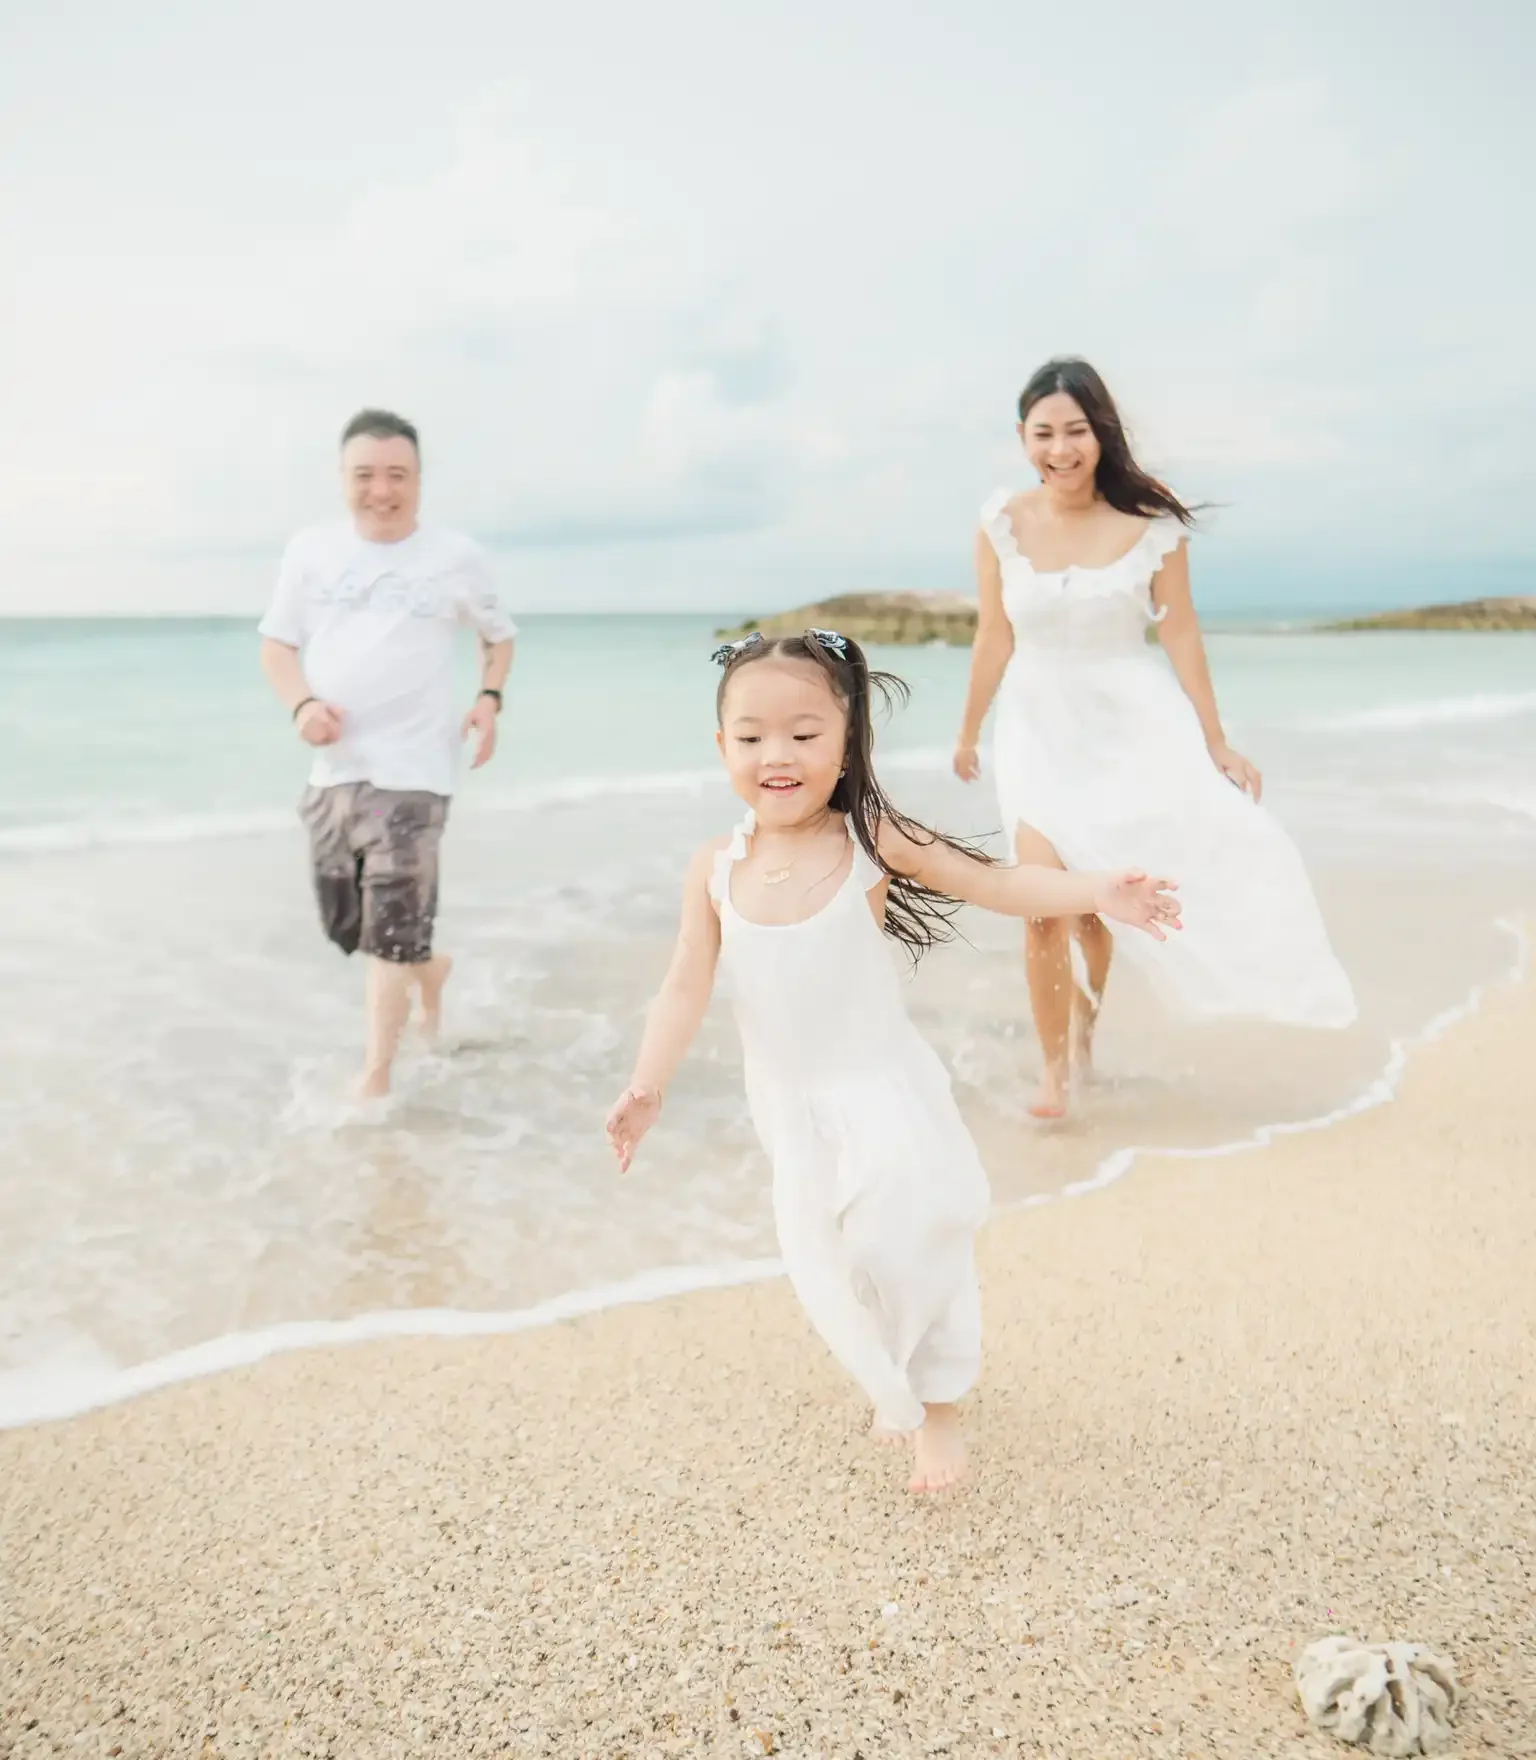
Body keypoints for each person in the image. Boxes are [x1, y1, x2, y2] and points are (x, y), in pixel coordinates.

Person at [605, 630, 1181, 1493]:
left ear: (845, 748)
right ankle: (891, 1381)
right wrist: (648, 1084)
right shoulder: (716, 869)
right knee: (834, 1260)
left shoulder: (869, 839)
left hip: (880, 1085)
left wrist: (1095, 891)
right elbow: (686, 982)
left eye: (804, 735)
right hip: (790, 1104)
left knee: (905, 1234)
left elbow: (995, 882)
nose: (778, 754)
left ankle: (937, 1408)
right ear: (721, 746)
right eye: (753, 735)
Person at [954, 357, 1356, 1121]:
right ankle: (1054, 1074)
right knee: (1041, 902)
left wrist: (1216, 742)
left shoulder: (1151, 528)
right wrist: (969, 731)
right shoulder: (1001, 523)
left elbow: (1183, 635)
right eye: (1044, 434)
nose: (1060, 449)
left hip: (1128, 727)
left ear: (1100, 434)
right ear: (1022, 437)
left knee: (1100, 904)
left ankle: (1085, 1041)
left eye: (1076, 431)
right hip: (1036, 725)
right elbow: (991, 636)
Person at [258, 408, 516, 1097]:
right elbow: (278, 646)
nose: (381, 489)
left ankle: (375, 1081)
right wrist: (304, 707)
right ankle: (431, 972)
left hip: (416, 774)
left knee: (387, 937)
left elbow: (499, 636)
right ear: (342, 478)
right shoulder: (310, 550)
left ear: (419, 480)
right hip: (334, 773)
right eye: (365, 475)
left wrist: (489, 700)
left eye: (396, 475)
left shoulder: (455, 556)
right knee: (353, 929)